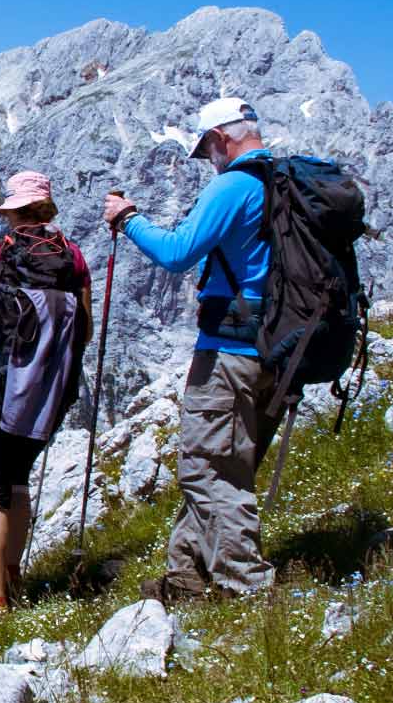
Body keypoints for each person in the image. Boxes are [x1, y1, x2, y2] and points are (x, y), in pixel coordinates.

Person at [102, 96, 277, 605]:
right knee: (220, 464)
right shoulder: (280, 183)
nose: (209, 160)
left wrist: (128, 217)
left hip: (229, 351)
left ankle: (247, 588)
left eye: (207, 150)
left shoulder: (236, 185)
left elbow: (177, 252)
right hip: (277, 350)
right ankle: (186, 577)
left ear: (223, 138)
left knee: (208, 466)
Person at [0, 170, 93, 613]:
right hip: (49, 390)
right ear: (45, 210)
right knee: (19, 483)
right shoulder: (73, 256)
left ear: (12, 212)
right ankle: (14, 573)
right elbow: (83, 328)